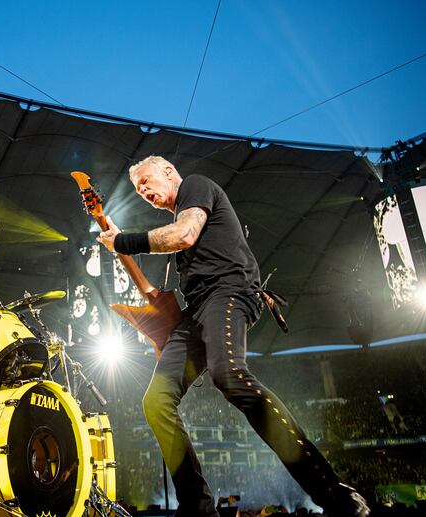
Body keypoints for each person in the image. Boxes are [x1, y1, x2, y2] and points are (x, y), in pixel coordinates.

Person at [97, 155, 369, 517]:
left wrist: (124, 242)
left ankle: (335, 494)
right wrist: (115, 240)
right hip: (198, 312)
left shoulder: (195, 185)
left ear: (168, 171)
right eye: (137, 189)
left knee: (230, 376)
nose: (143, 190)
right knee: (156, 401)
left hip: (229, 292)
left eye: (146, 181)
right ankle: (196, 507)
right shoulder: (181, 245)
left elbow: (184, 234)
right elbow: (155, 276)